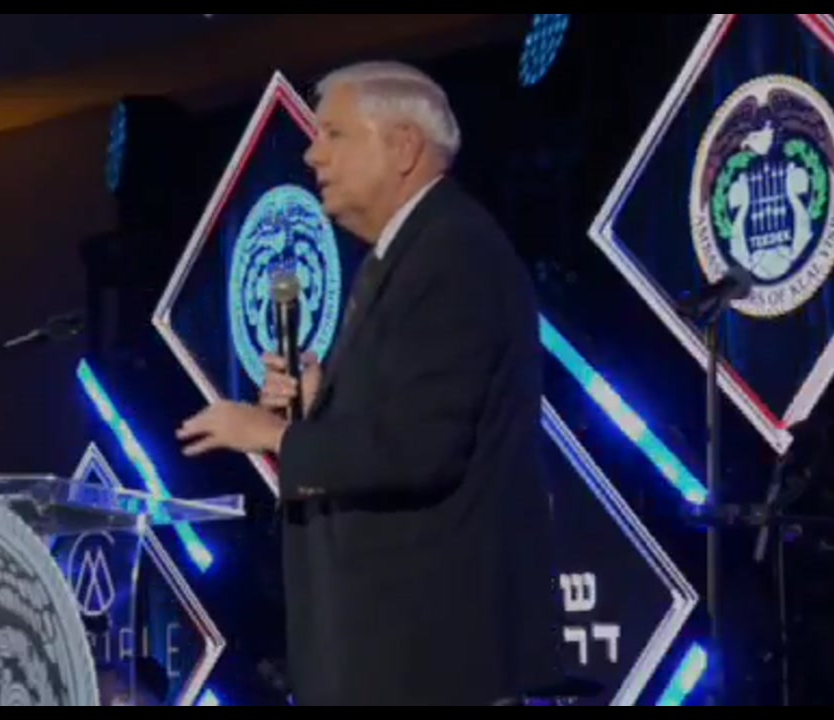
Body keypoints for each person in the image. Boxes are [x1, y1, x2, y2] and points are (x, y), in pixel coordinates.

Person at [176, 60, 562, 705]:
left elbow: (420, 448)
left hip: (432, 657)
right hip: (391, 655)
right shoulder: (407, 253)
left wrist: (271, 434)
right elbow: (402, 418)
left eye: (334, 134)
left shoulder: (452, 252)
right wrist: (321, 403)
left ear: (404, 146)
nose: (312, 154)